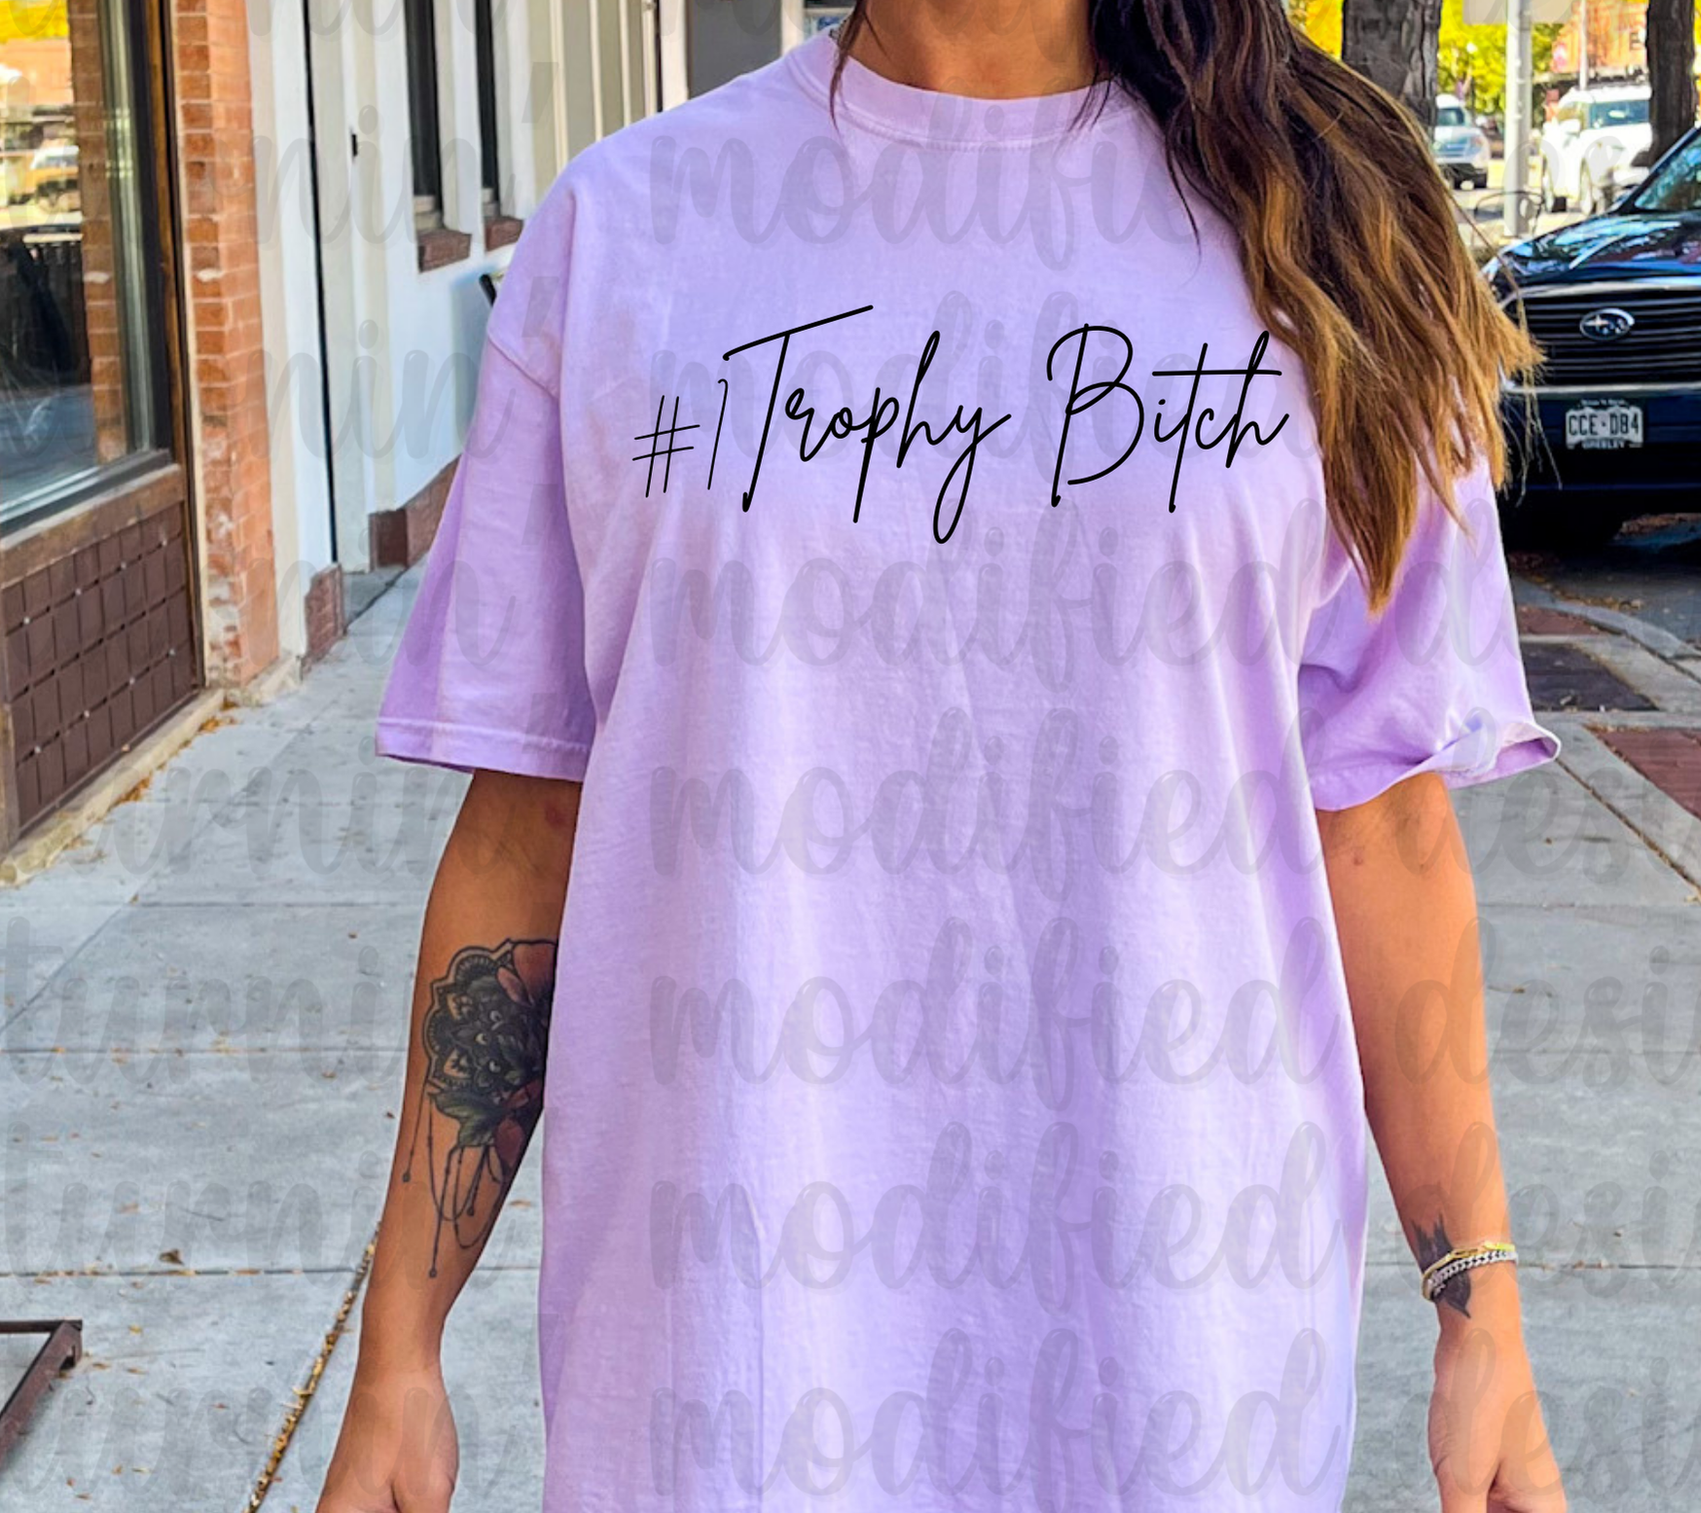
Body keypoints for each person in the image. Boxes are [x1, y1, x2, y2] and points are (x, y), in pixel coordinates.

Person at [317, 2, 1568, 1510]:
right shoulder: (626, 233)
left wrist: (1482, 1313)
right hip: (725, 1373)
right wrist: (400, 1349)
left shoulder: (1328, 232)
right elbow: (529, 827)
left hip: (1183, 1368)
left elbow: (1383, 828)